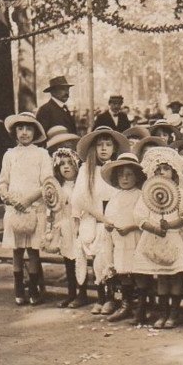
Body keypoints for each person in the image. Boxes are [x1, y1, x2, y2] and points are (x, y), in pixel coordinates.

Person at [0, 113, 54, 305]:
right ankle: (18, 287)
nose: (24, 133)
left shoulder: (42, 154)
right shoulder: (9, 155)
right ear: (15, 132)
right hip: (15, 209)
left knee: (33, 249)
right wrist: (8, 197)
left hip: (34, 207)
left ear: (35, 132)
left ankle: (33, 288)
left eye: (29, 129)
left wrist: (29, 200)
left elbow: (47, 182)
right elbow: (3, 182)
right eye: (20, 129)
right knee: (17, 249)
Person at [71, 128, 130, 312]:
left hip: (114, 221)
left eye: (108, 144)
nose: (103, 149)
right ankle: (101, 297)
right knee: (97, 259)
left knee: (110, 259)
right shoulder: (86, 170)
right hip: (94, 219)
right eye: (99, 145)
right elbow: (78, 199)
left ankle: (113, 298)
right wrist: (82, 221)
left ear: (114, 148)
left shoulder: (117, 169)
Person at [133, 149, 183, 328]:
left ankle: (174, 313)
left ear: (173, 172)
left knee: (175, 276)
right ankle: (163, 312)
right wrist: (154, 227)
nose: (161, 173)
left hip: (173, 238)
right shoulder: (147, 193)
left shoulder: (180, 193)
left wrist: (171, 225)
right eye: (157, 169)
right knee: (162, 277)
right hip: (153, 237)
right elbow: (139, 216)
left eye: (166, 168)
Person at [101, 153, 145, 321]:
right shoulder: (115, 197)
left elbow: (144, 218)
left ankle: (141, 308)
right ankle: (126, 305)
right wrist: (108, 224)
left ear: (137, 176)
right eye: (121, 175)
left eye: (129, 175)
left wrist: (131, 227)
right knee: (123, 272)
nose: (124, 179)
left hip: (136, 237)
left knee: (139, 273)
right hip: (120, 240)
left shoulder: (140, 195)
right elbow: (109, 216)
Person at [49, 148, 81, 308]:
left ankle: (82, 294)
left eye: (70, 163)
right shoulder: (59, 186)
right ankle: (71, 293)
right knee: (68, 260)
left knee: (79, 259)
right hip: (65, 225)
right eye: (62, 164)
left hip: (79, 225)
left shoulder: (80, 184)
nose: (66, 167)